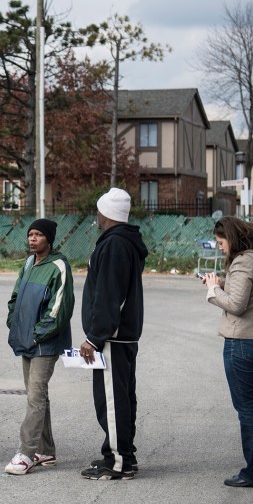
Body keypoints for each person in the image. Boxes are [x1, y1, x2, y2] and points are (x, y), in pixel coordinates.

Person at [201, 217, 253, 489]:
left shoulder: (243, 261)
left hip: (241, 341)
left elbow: (236, 304)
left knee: (247, 409)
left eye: (222, 243)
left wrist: (213, 289)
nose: (221, 248)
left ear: (232, 238)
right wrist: (225, 283)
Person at [78, 187, 148, 481]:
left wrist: (95, 337)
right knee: (121, 397)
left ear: (105, 213)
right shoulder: (123, 242)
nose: (96, 216)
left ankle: (118, 462)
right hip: (121, 336)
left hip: (112, 338)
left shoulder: (115, 245)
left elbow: (110, 295)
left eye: (99, 211)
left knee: (112, 400)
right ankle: (120, 455)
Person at [3, 218, 74, 475]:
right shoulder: (28, 263)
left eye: (38, 235)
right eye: (30, 234)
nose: (32, 239)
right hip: (27, 340)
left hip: (46, 343)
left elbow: (60, 310)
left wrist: (36, 335)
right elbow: (15, 298)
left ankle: (25, 453)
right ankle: (46, 451)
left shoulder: (58, 266)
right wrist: (16, 325)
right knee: (37, 397)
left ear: (49, 239)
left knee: (35, 396)